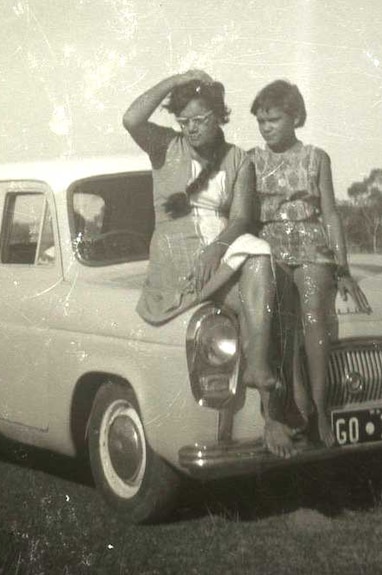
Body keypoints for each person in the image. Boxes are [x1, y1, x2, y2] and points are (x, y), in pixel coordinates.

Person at [123, 70, 297, 458]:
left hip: (220, 252)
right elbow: (131, 118)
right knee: (259, 305)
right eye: (183, 121)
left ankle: (266, 402)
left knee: (260, 271)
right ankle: (270, 404)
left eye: (199, 120)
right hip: (176, 258)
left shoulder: (238, 159)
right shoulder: (165, 146)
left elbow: (239, 219)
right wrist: (176, 80)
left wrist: (216, 248)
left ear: (218, 116)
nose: (190, 129)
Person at [248, 79, 371, 447]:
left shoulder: (317, 158)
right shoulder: (252, 160)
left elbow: (331, 213)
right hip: (269, 245)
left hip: (312, 244)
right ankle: (284, 408)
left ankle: (321, 407)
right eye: (261, 120)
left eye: (274, 119)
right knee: (277, 319)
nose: (267, 127)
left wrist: (343, 267)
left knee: (315, 311)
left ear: (296, 117)